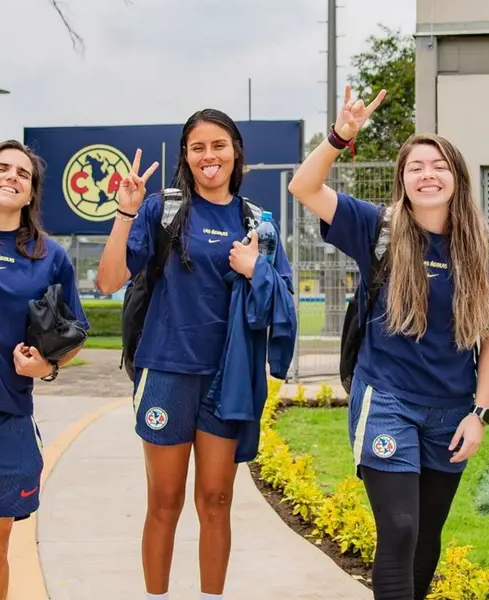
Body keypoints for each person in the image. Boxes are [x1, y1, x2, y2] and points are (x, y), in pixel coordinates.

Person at [287, 85, 489, 600]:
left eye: (438, 166)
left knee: (426, 535)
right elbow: (303, 185)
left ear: (457, 177)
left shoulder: (483, 246)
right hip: (385, 398)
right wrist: (342, 135)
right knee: (401, 528)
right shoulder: (376, 227)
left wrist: (479, 414)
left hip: (451, 410)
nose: (427, 175)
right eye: (416, 167)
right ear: (402, 180)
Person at [94, 109, 294, 600]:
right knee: (164, 501)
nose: (209, 156)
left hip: (227, 379)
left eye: (219, 145)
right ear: (185, 155)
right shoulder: (161, 209)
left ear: (236, 151)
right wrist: (124, 211)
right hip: (166, 371)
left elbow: (284, 301)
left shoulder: (257, 224)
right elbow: (108, 280)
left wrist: (255, 269)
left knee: (217, 500)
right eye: (198, 147)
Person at [0, 140, 89, 600]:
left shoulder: (49, 257)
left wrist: (48, 363)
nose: (11, 177)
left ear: (30, 195)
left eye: (22, 174)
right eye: (0, 168)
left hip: (6, 416)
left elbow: (75, 332)